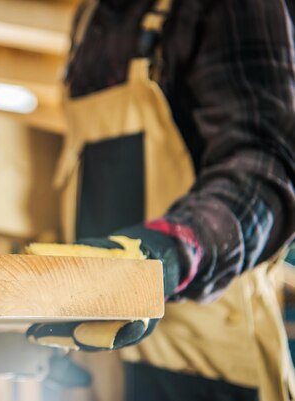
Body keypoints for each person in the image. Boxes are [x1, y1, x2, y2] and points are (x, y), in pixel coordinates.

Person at [26, 0, 295, 400]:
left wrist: (166, 254)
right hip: (101, 350)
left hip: (199, 365)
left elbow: (265, 168)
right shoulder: (89, 18)